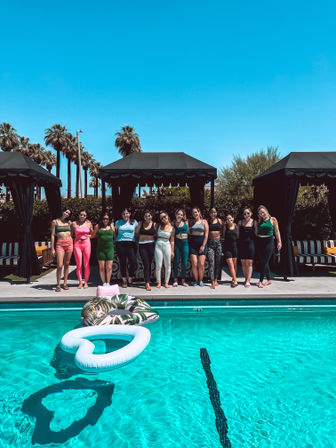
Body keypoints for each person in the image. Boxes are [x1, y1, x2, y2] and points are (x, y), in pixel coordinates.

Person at [256, 205, 282, 288]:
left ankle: (260, 281)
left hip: (269, 242)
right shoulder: (259, 220)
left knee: (264, 261)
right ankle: (268, 280)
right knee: (264, 261)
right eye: (260, 213)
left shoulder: (272, 219)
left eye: (263, 212)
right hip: (260, 242)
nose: (262, 214)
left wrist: (279, 241)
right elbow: (256, 232)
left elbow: (277, 231)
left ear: (266, 211)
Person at [51, 208, 73, 292]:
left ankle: (65, 283)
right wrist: (52, 248)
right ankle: (58, 284)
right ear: (62, 212)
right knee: (59, 265)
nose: (67, 214)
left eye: (69, 213)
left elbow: (74, 231)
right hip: (60, 244)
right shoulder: (55, 222)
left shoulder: (69, 222)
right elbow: (53, 235)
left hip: (69, 244)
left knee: (67, 264)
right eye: (66, 212)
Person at [115, 208, 138, 288]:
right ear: (122, 215)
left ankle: (130, 278)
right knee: (123, 262)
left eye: (127, 213)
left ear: (130, 214)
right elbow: (115, 233)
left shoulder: (134, 222)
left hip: (131, 243)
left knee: (134, 263)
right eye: (124, 214)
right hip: (120, 243)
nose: (125, 215)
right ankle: (124, 281)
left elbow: (138, 231)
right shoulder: (118, 222)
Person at [72, 210, 93, 289]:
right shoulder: (74, 224)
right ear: (78, 215)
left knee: (86, 264)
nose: (82, 216)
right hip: (77, 244)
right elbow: (70, 234)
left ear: (86, 216)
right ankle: (80, 282)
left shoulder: (89, 223)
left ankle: (86, 282)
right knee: (79, 264)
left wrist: (88, 236)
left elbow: (92, 233)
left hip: (87, 244)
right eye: (81, 215)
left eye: (84, 215)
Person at [92, 213, 115, 286]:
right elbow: (93, 236)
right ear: (101, 219)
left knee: (109, 267)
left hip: (110, 249)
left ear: (109, 220)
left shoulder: (112, 226)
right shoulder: (97, 226)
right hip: (100, 250)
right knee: (102, 268)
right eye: (103, 219)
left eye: (107, 219)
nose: (105, 220)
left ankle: (108, 282)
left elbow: (115, 236)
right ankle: (104, 283)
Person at [135, 210, 156, 291]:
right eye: (146, 216)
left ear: (151, 216)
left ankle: (148, 279)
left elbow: (157, 235)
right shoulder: (141, 223)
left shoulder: (154, 224)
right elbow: (136, 232)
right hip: (142, 246)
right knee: (146, 264)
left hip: (151, 245)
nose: (148, 217)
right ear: (144, 217)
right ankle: (147, 283)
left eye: (149, 216)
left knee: (149, 264)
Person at [189, 207, 209, 286]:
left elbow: (206, 234)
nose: (195, 214)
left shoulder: (204, 221)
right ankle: (195, 280)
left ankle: (201, 280)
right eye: (193, 213)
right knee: (194, 263)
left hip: (202, 243)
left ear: (199, 212)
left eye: (196, 212)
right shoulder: (191, 222)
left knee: (201, 264)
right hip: (193, 244)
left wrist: (203, 245)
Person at [155, 211, 175, 288]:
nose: (163, 218)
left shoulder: (172, 228)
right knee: (159, 265)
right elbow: (155, 236)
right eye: (161, 218)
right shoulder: (158, 226)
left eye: (164, 216)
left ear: (167, 216)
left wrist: (172, 251)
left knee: (168, 264)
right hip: (158, 244)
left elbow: (172, 240)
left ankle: (166, 282)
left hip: (167, 244)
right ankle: (158, 282)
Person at [238, 207, 257, 288]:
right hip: (242, 245)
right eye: (245, 213)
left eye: (248, 213)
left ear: (251, 213)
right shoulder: (240, 222)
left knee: (249, 263)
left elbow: (257, 234)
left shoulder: (254, 222)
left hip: (250, 245)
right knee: (243, 263)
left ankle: (248, 280)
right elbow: (238, 235)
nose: (246, 215)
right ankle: (245, 279)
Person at [172, 208, 189, 287]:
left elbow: (189, 232)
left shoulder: (186, 222)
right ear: (176, 215)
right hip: (177, 244)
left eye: (181, 214)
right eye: (178, 214)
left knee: (184, 263)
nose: (180, 216)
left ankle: (183, 280)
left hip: (185, 244)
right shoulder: (173, 223)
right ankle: (175, 280)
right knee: (176, 262)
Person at [207, 207, 223, 289]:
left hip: (218, 243)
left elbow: (223, 231)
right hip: (210, 243)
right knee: (211, 262)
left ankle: (216, 279)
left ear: (216, 213)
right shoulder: (208, 221)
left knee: (218, 262)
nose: (213, 214)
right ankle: (212, 280)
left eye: (215, 212)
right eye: (211, 212)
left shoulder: (219, 221)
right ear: (209, 213)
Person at [223, 214, 239, 287]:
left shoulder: (236, 226)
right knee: (231, 265)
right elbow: (223, 236)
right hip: (227, 248)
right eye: (227, 219)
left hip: (235, 247)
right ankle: (235, 281)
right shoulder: (225, 227)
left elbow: (238, 237)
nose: (229, 220)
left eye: (230, 218)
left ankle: (233, 278)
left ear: (233, 218)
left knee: (235, 265)